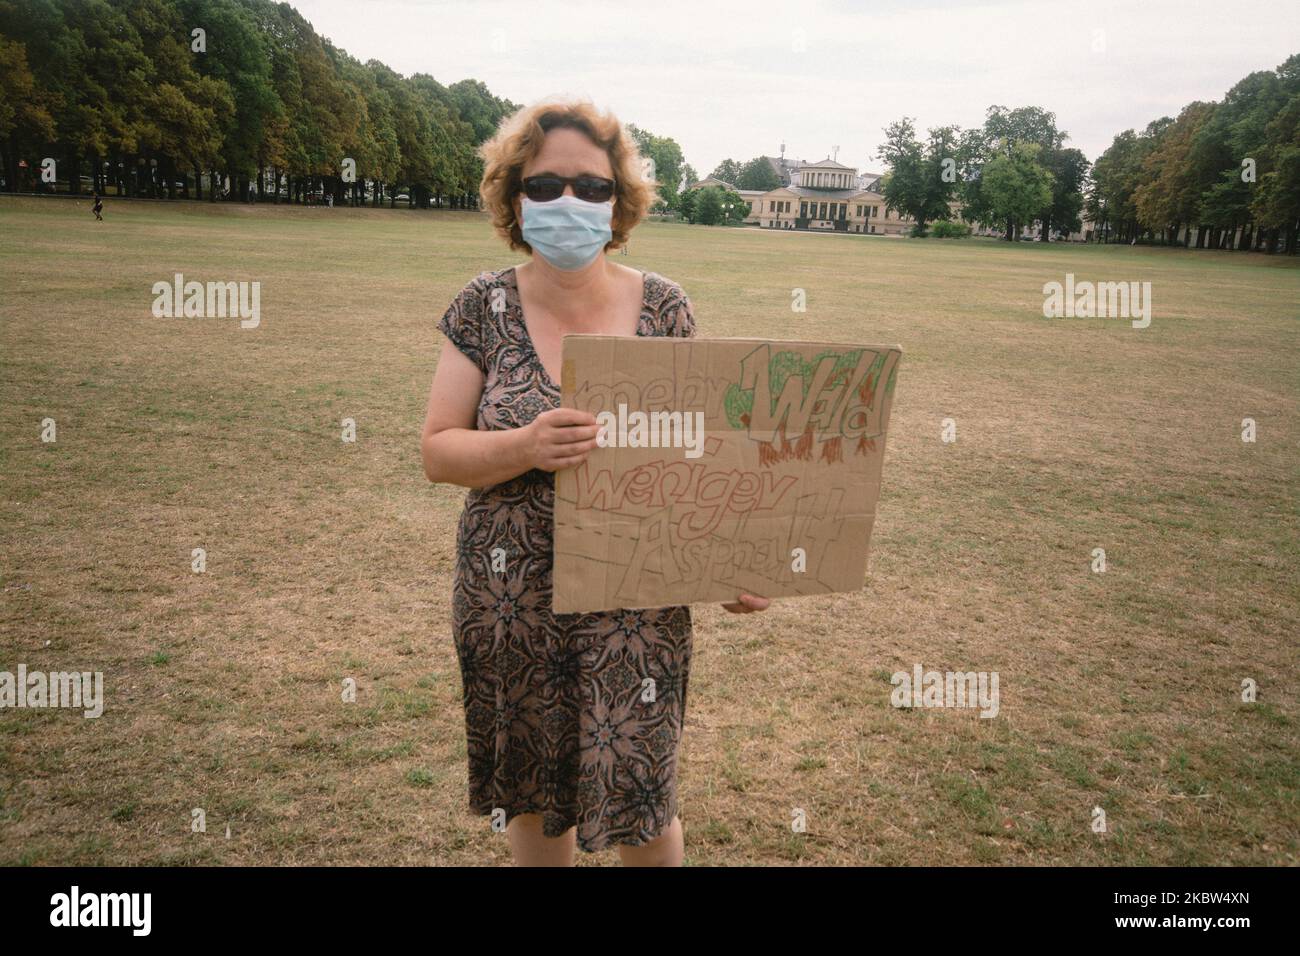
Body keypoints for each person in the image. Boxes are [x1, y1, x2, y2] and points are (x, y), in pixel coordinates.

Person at [422, 99, 770, 867]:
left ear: (620, 202)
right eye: (543, 187)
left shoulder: (665, 306)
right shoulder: (483, 305)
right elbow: (439, 451)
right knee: (539, 805)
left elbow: (700, 461)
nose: (567, 203)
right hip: (510, 600)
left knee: (643, 801)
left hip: (635, 605)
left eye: (591, 186)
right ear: (514, 199)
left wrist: (729, 565)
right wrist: (525, 444)